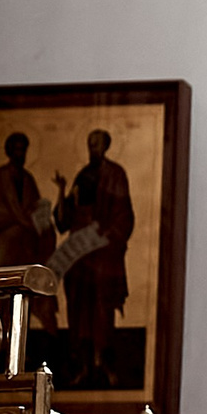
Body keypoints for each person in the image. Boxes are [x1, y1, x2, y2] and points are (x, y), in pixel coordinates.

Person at [50, 128, 135, 382]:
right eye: (90, 144)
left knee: (101, 305)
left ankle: (102, 360)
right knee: (78, 304)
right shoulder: (83, 175)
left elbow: (124, 214)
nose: (92, 149)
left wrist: (105, 235)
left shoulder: (115, 174)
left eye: (96, 144)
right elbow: (64, 219)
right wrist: (62, 191)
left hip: (103, 254)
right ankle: (82, 363)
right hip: (79, 254)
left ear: (106, 146)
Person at [0, 132, 56, 326]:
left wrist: (40, 221)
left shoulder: (28, 179)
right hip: (3, 248)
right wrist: (18, 219)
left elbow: (34, 210)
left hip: (24, 249)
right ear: (9, 151)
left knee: (21, 299)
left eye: (23, 150)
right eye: (17, 150)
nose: (20, 154)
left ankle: (18, 341)